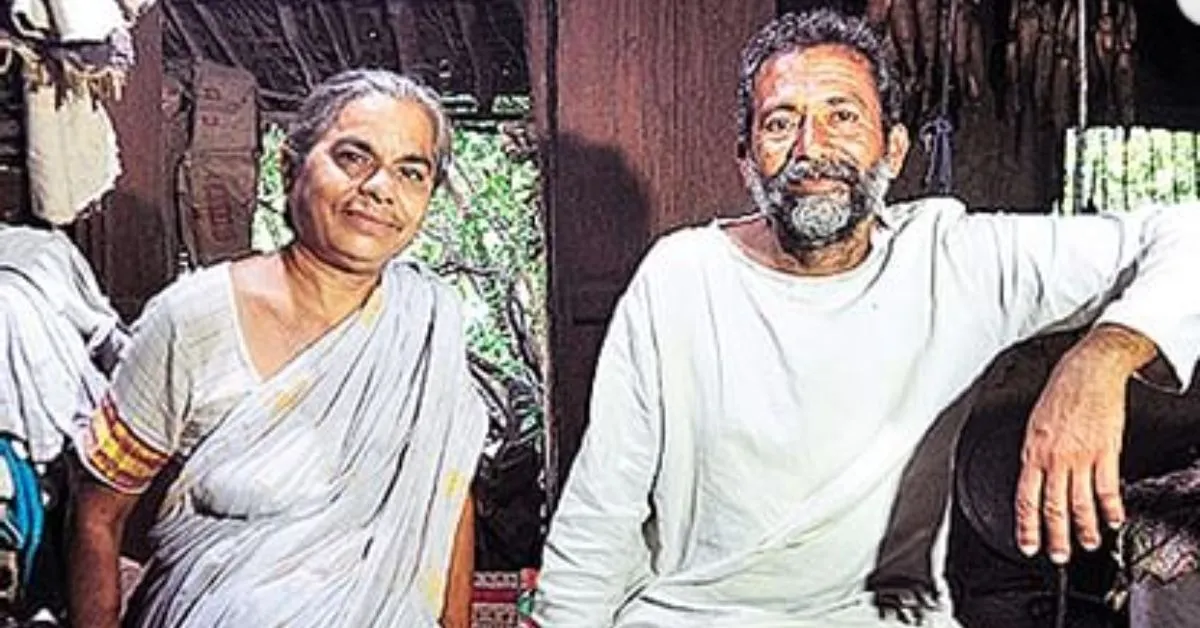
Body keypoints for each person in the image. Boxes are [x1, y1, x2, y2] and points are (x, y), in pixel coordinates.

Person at [533, 8, 1200, 627]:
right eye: (780, 122)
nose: (811, 146)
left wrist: (1102, 357)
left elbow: (1187, 234)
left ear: (894, 150)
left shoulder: (952, 261)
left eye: (843, 116)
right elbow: (603, 505)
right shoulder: (680, 278)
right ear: (746, 160)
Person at [67, 69, 486, 628]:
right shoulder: (193, 318)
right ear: (291, 167)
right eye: (354, 157)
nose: (380, 188)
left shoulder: (427, 324)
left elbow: (445, 498)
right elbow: (98, 513)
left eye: (411, 171)